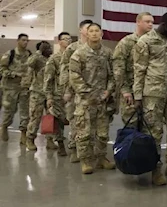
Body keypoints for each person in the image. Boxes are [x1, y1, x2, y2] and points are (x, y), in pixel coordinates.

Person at [133, 12, 167, 186]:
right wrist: (137, 96)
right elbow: (139, 70)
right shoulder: (145, 41)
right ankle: (155, 169)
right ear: (163, 24)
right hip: (152, 95)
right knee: (154, 134)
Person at [69, 23, 115, 174]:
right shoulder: (79, 54)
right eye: (91, 31)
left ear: (101, 33)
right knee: (84, 133)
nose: (94, 34)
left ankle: (101, 158)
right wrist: (87, 94)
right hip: (85, 101)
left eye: (97, 31)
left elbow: (113, 75)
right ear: (86, 34)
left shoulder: (108, 53)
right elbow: (74, 76)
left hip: (103, 100)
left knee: (102, 132)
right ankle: (86, 160)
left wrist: (108, 91)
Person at [60, 19, 93, 162]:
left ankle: (89, 150)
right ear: (80, 30)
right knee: (75, 121)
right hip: (74, 92)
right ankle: (74, 148)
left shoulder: (96, 48)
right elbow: (64, 71)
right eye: (87, 28)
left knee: (91, 121)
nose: (90, 31)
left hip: (91, 91)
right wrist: (66, 90)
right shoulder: (72, 48)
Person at [113, 12, 154, 126]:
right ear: (138, 22)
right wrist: (125, 90)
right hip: (131, 88)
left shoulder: (153, 42)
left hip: (149, 90)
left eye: (152, 22)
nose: (150, 25)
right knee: (131, 123)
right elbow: (118, 67)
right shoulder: (127, 42)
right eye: (147, 22)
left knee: (150, 125)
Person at [43, 32, 72, 157]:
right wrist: (49, 97)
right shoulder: (54, 59)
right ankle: (60, 144)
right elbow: (48, 79)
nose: (68, 41)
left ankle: (75, 145)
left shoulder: (75, 56)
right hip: (58, 95)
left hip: (72, 94)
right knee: (58, 121)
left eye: (69, 39)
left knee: (74, 119)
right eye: (65, 39)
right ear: (59, 42)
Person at [0, 33, 31, 144]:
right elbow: (2, 70)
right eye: (23, 40)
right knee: (9, 111)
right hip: (10, 88)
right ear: (17, 41)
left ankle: (23, 134)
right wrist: (14, 74)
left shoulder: (29, 54)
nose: (25, 42)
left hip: (24, 88)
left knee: (25, 112)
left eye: (27, 40)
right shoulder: (10, 54)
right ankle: (4, 126)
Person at [25, 41, 55, 151]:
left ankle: (50, 140)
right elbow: (29, 63)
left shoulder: (51, 59)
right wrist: (38, 52)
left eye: (49, 47)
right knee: (35, 117)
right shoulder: (36, 59)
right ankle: (30, 139)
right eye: (46, 48)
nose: (49, 49)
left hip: (49, 93)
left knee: (50, 117)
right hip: (37, 92)